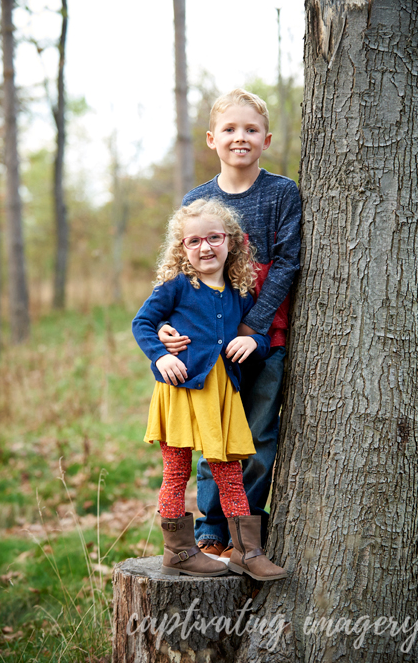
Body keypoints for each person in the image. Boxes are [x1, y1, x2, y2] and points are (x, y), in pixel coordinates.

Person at [158, 89, 302, 561]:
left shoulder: (282, 193)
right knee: (211, 437)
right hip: (205, 346)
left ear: (266, 139)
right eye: (230, 129)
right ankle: (210, 530)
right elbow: (182, 274)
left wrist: (255, 329)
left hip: (263, 340)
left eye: (251, 129)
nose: (240, 137)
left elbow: (285, 264)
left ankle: (247, 537)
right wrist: (164, 329)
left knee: (257, 438)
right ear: (211, 139)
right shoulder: (198, 200)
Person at [132, 198, 287, 581]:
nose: (205, 247)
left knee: (229, 471)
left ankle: (246, 552)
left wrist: (256, 344)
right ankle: (179, 552)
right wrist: (159, 357)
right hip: (181, 390)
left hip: (219, 394)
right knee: (176, 471)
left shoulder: (240, 291)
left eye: (214, 238)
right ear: (182, 248)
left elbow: (258, 339)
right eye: (194, 241)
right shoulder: (176, 287)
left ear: (231, 241)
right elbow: (143, 323)